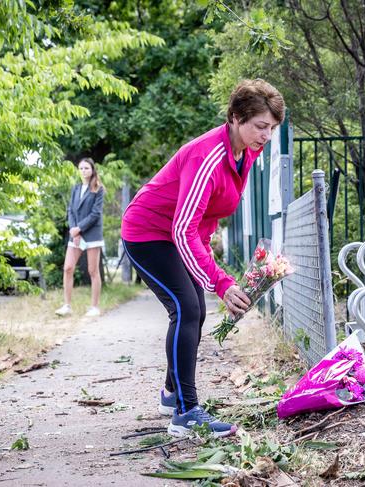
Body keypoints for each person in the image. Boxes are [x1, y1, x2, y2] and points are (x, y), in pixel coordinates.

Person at [121, 79, 285, 437]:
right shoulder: (207, 156)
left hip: (178, 234)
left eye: (272, 128)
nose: (266, 136)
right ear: (236, 117)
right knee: (186, 308)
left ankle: (172, 393)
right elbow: (182, 228)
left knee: (193, 307)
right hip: (148, 233)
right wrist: (222, 282)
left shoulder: (246, 152)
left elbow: (204, 217)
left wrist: (210, 265)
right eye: (260, 126)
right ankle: (185, 411)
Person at [55, 157, 105, 318]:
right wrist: (73, 230)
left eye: (86, 168)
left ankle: (94, 307)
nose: (83, 171)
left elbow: (95, 214)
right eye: (81, 168)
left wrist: (79, 229)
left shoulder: (98, 189)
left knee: (93, 270)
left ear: (92, 170)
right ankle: (67, 305)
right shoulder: (76, 188)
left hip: (92, 234)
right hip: (75, 234)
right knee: (68, 268)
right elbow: (70, 210)